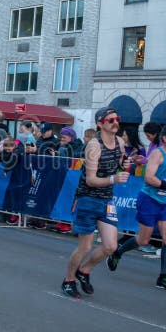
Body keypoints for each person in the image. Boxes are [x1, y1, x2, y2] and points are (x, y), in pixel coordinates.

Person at [61, 107, 129, 299]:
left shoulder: (120, 142)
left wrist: (129, 163)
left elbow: (119, 164)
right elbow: (91, 180)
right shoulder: (94, 146)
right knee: (85, 246)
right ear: (100, 123)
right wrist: (114, 179)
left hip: (106, 199)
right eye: (110, 120)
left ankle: (84, 271)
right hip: (87, 198)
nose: (115, 122)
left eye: (117, 118)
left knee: (110, 246)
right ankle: (68, 280)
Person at [108, 123, 166, 291]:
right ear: (165, 138)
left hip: (164, 202)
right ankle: (118, 253)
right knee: (143, 240)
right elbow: (148, 177)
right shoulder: (158, 154)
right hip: (149, 199)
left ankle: (163, 277)